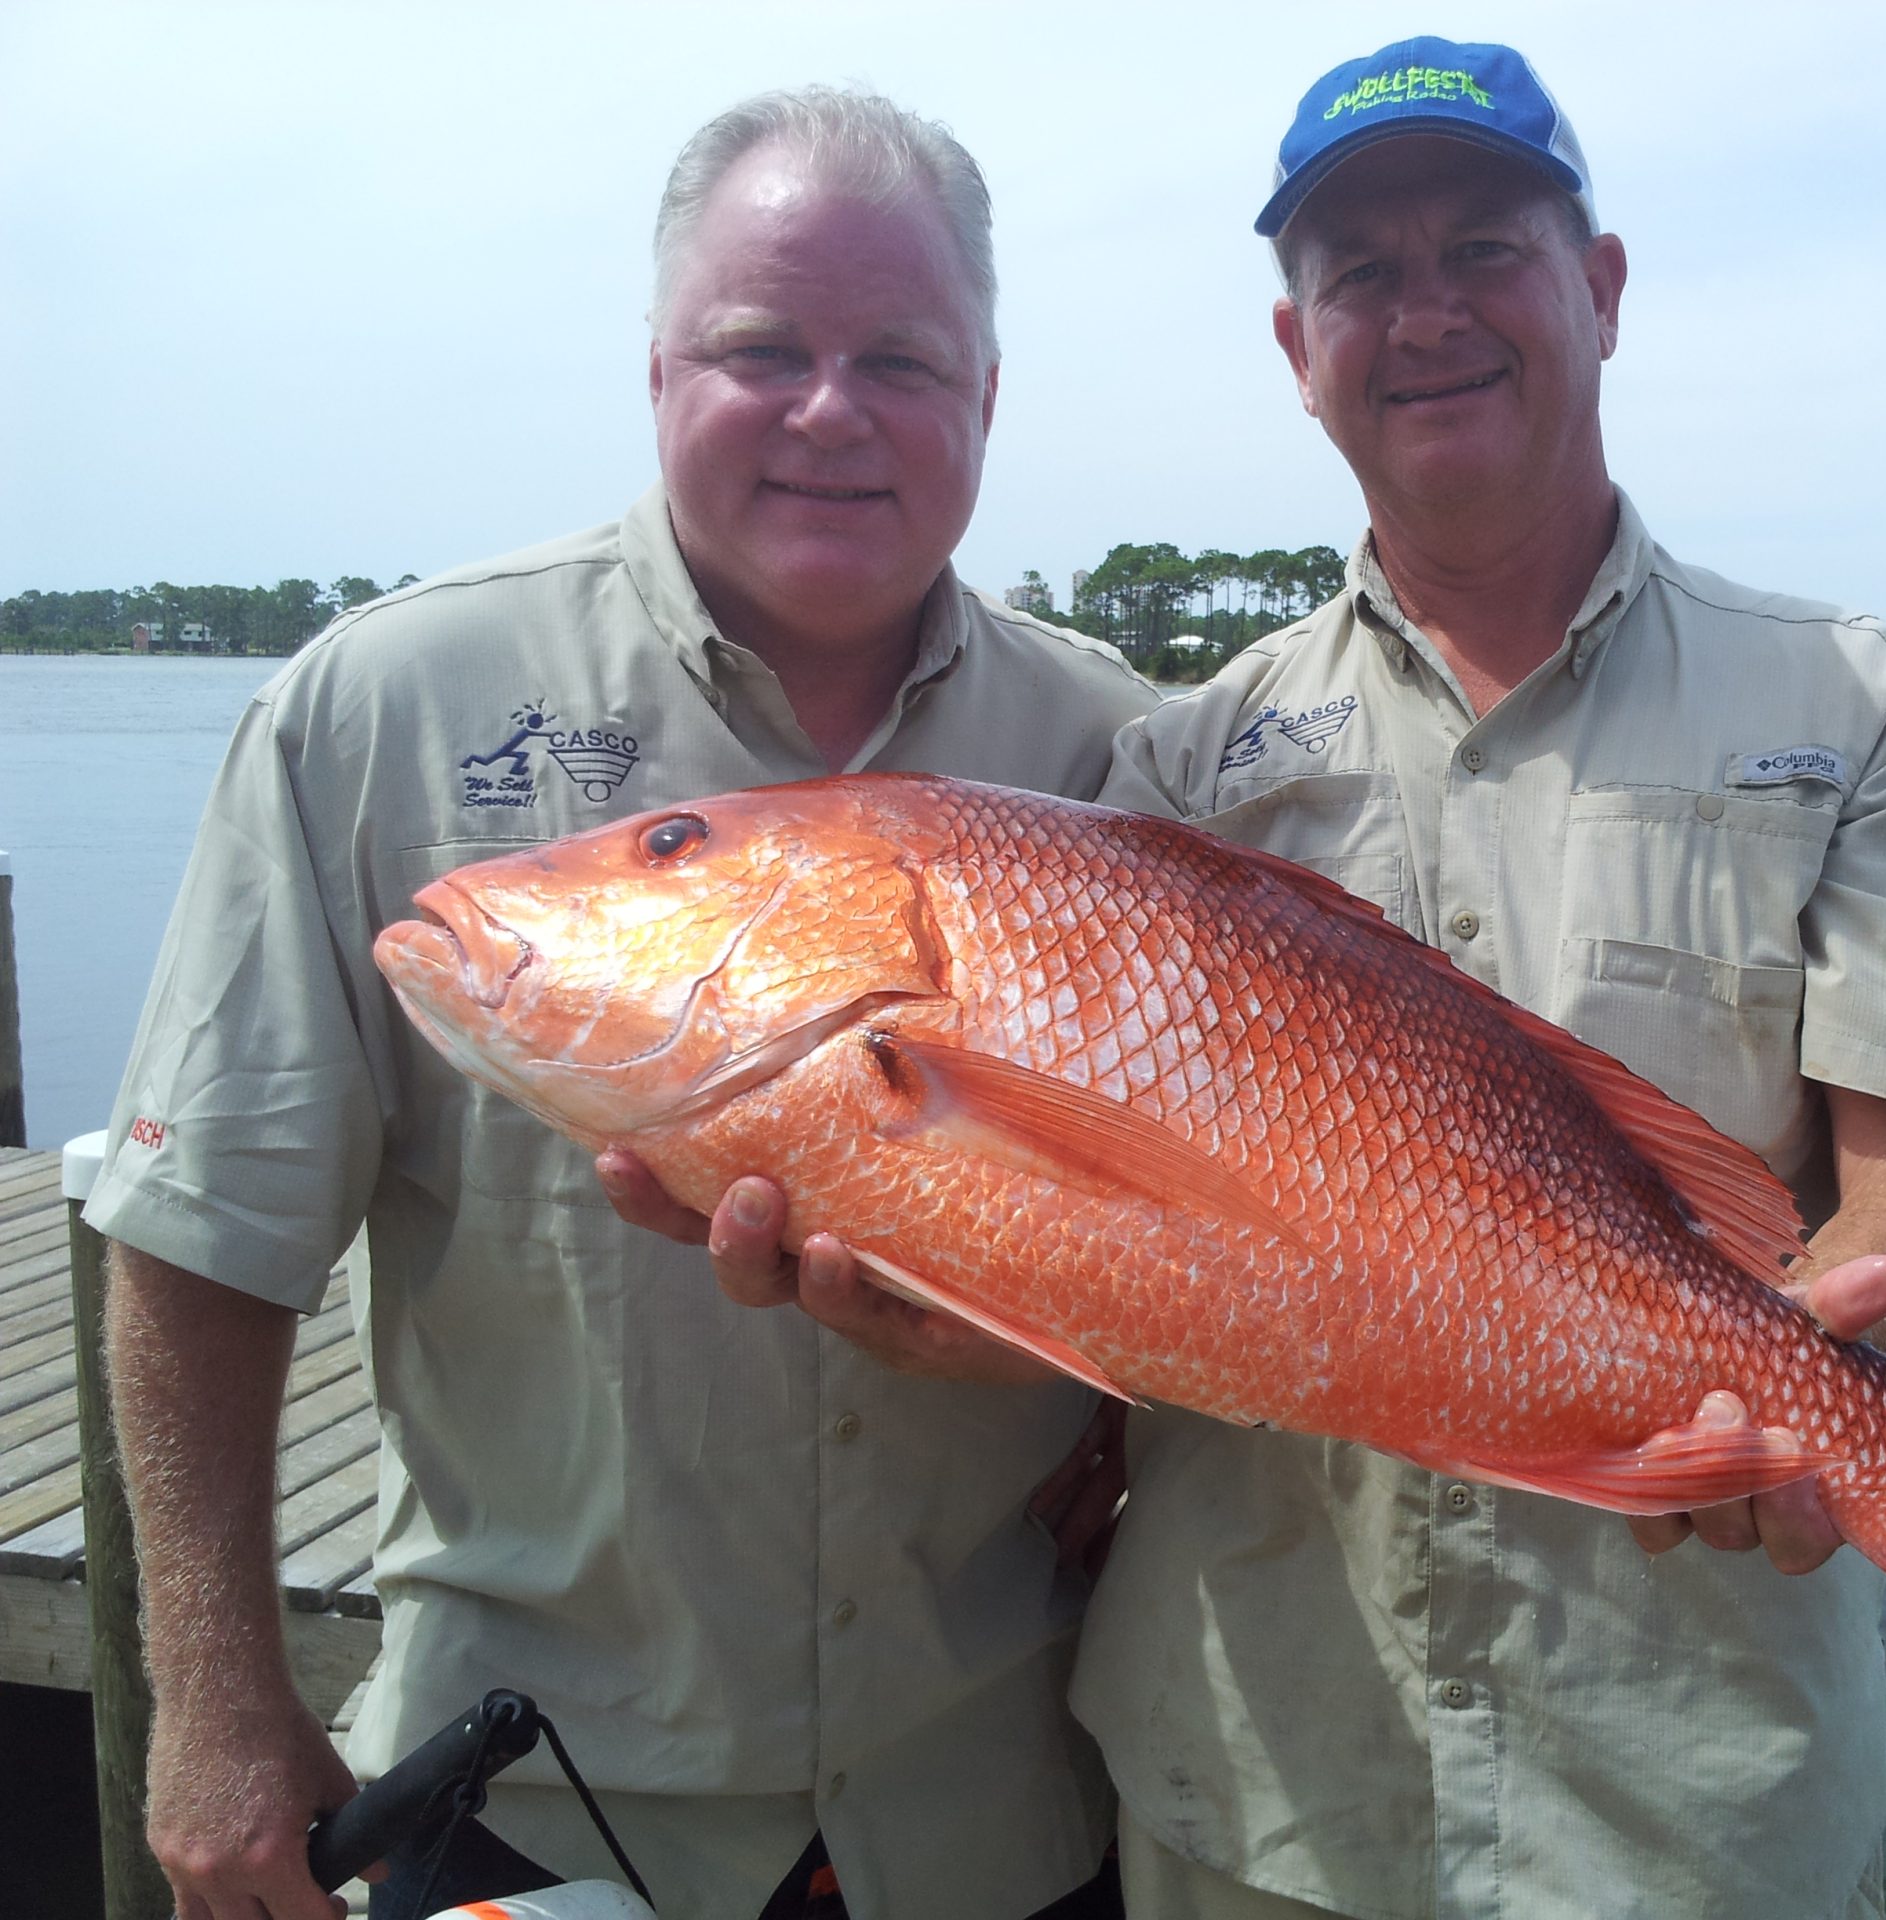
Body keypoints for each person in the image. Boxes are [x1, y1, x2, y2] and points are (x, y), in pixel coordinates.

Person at [637, 34, 1886, 1919]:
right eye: (1362, 272)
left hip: (1697, 1814)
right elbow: (1123, 1258)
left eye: (1485, 249)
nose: (1425, 311)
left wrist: (1844, 1360)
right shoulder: (1172, 766)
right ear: (1299, 350)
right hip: (1250, 1795)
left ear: (1602, 291)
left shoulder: (1865, 709)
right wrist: (934, 1286)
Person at [84, 86, 1154, 1920]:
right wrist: (215, 1699)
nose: (832, 410)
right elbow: (202, 1237)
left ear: (987, 395)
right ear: (658, 368)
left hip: (999, 1788)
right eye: (763, 348)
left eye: (902, 359)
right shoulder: (382, 708)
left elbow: (1206, 1202)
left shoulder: (1121, 754)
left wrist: (1133, 1408)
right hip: (533, 1795)